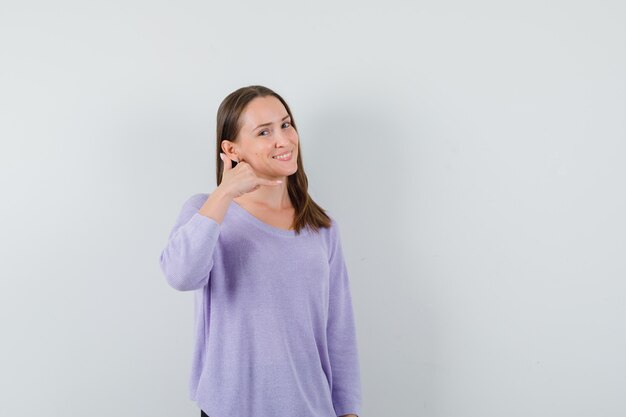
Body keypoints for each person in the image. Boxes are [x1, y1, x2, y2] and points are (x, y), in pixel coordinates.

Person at [159, 85, 362, 417]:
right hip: (229, 408)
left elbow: (339, 328)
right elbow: (180, 276)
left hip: (311, 408)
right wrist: (223, 194)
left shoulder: (321, 227)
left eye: (285, 124)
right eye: (264, 132)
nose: (283, 139)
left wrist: (348, 410)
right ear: (232, 149)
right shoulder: (206, 212)